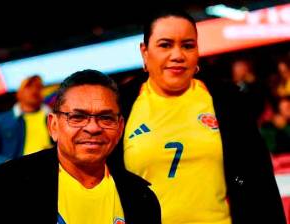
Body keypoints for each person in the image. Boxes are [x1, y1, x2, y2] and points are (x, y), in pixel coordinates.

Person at [108, 7, 286, 224]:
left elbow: (259, 185)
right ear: (145, 52)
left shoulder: (228, 102)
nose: (177, 55)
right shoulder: (118, 107)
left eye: (188, 45)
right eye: (165, 45)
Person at [0, 69, 161, 224]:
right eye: (77, 117)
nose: (92, 127)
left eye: (105, 118)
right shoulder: (8, 187)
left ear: (120, 127)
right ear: (53, 126)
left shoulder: (141, 199)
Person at [0, 75, 52, 168]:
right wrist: (5, 163)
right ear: (19, 93)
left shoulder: (54, 117)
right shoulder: (2, 120)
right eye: (29, 86)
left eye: (39, 87)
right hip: (18, 173)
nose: (34, 90)